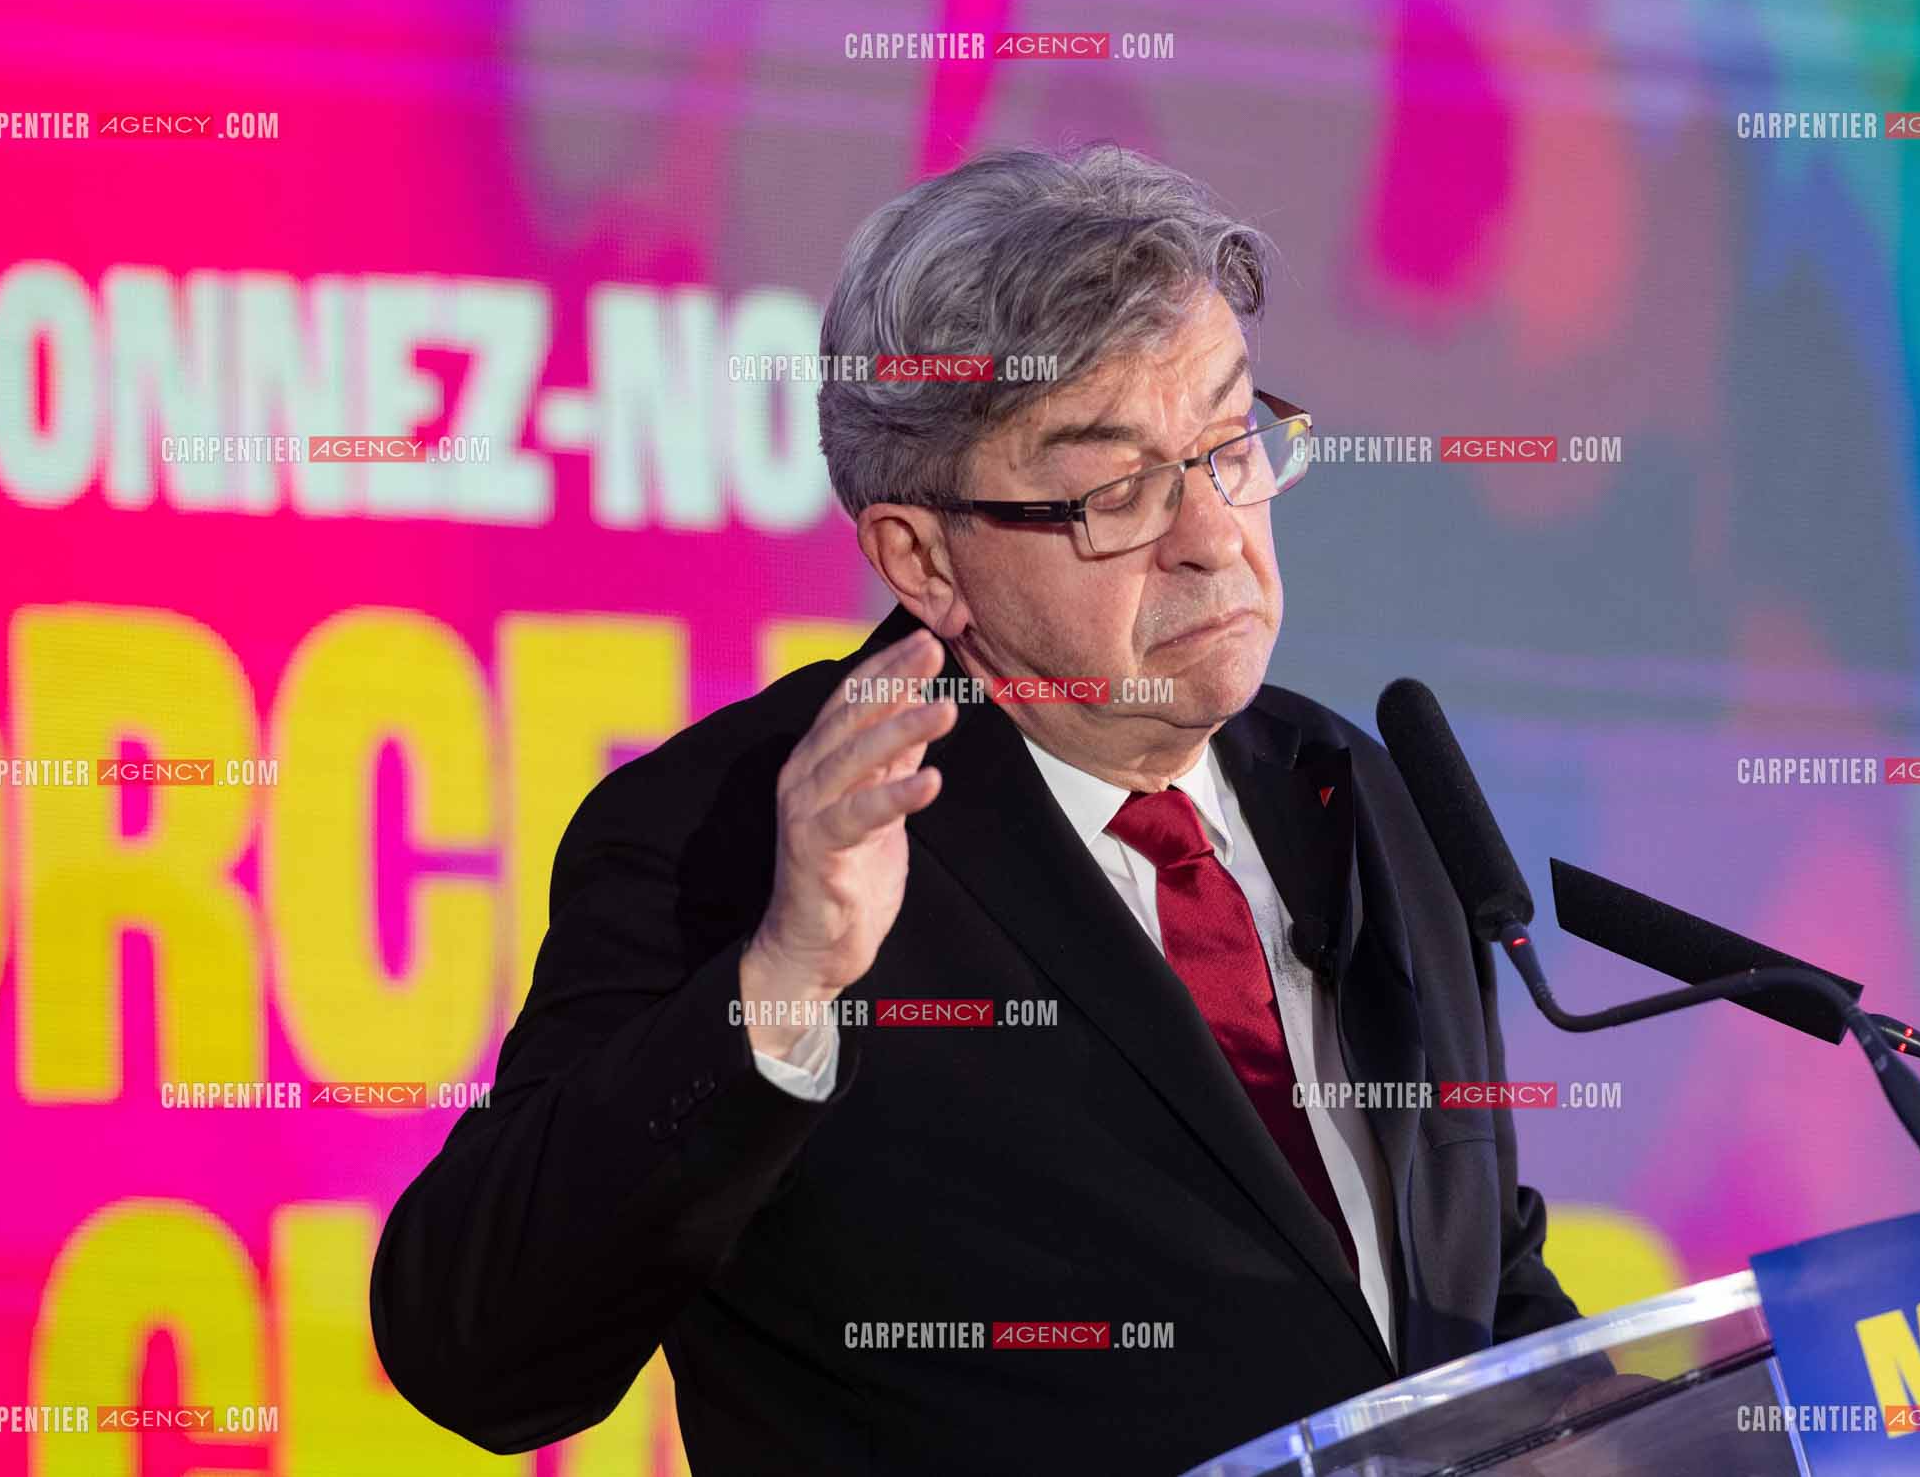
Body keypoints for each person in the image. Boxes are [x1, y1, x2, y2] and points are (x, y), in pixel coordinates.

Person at [372, 142, 1581, 1476]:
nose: (1212, 535)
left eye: (1229, 442)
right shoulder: (737, 833)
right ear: (921, 557)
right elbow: (475, 1355)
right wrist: (784, 982)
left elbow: (1462, 1290)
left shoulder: (1346, 787)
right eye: (1116, 491)